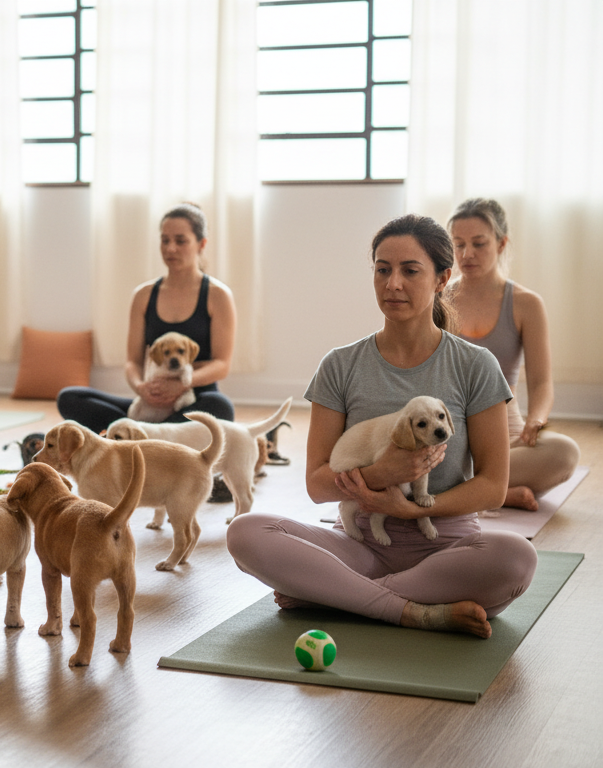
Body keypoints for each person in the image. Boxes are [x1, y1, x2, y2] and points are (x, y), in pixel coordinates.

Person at [226, 214, 538, 639]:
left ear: (442, 278)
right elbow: (318, 485)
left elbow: (492, 486)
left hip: (447, 549)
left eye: (410, 271)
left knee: (516, 557)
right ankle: (414, 612)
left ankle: (336, 597)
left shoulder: (475, 365)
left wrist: (410, 509)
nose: (393, 284)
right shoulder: (340, 365)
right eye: (382, 269)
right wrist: (381, 477)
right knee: (246, 531)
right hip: (360, 546)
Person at [446, 198, 581, 510]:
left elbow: (541, 382)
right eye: (459, 244)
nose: (467, 254)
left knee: (565, 453)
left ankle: (471, 491)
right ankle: (497, 493)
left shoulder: (526, 303)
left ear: (501, 243)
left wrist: (537, 418)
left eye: (479, 243)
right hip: (451, 434)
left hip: (507, 439)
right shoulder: (438, 298)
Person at [56, 203, 237, 434]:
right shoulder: (144, 295)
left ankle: (137, 437)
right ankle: (154, 439)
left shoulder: (217, 295)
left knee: (221, 408)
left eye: (180, 241)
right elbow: (133, 362)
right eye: (165, 240)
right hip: (152, 404)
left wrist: (182, 383)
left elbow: (222, 364)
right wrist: (140, 387)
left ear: (201, 244)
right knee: (70, 398)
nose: (170, 248)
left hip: (194, 400)